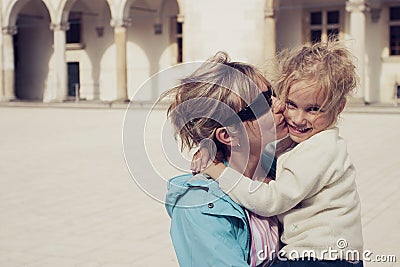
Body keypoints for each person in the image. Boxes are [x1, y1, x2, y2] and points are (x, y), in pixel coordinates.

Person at [199, 41, 364, 266]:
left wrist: (218, 170)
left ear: (339, 107)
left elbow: (271, 201)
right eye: (291, 104)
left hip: (320, 258)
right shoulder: (311, 142)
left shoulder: (320, 149)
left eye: (313, 109)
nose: (298, 118)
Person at [164, 51, 288, 266]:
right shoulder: (200, 208)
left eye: (273, 94)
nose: (279, 104)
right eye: (263, 103)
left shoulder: (280, 168)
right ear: (229, 135)